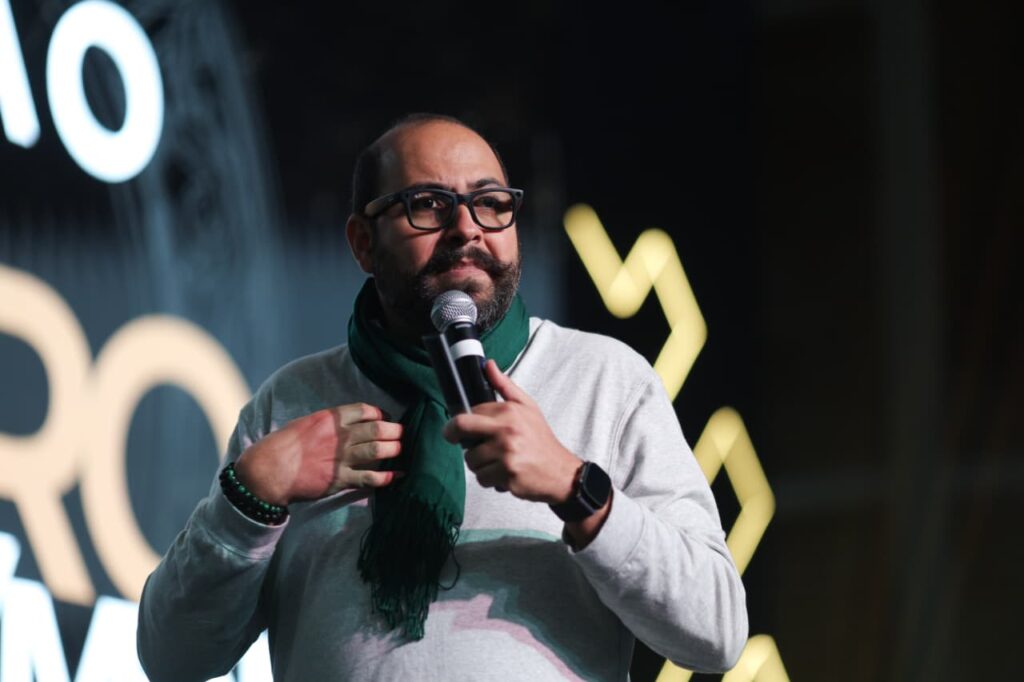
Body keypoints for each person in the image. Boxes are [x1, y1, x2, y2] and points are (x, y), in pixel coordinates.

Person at [136, 113, 748, 681]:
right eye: (428, 204)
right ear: (363, 242)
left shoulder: (605, 380)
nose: (467, 228)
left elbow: (716, 633)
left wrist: (575, 486)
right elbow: (172, 658)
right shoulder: (293, 402)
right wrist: (250, 496)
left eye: (491, 203)